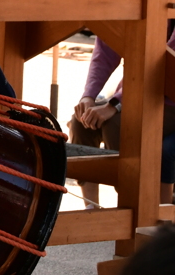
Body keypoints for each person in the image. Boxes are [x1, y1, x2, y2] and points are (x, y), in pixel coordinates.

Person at [69, 36, 175, 207]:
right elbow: (104, 52)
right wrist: (88, 96)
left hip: (168, 100)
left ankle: (130, 206)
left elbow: (159, 65)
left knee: (118, 124)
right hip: (138, 95)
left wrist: (115, 104)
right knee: (81, 121)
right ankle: (91, 208)